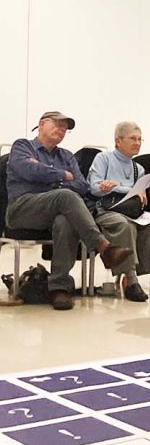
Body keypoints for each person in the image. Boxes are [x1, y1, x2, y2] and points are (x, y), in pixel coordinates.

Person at [4, 111, 133, 310]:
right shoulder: (22, 146)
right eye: (57, 124)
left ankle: (58, 288)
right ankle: (104, 248)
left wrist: (48, 179)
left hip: (53, 212)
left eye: (65, 128)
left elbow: (82, 186)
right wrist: (63, 176)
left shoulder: (65, 155)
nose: (62, 130)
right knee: (65, 196)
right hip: (22, 208)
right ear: (41, 124)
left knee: (64, 220)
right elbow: (29, 170)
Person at [87, 121, 150, 302]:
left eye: (140, 139)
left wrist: (119, 186)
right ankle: (130, 279)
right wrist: (121, 188)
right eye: (133, 138)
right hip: (107, 210)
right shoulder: (104, 159)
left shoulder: (138, 168)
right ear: (118, 141)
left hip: (131, 210)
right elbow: (94, 188)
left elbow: (141, 194)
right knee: (123, 225)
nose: (138, 143)